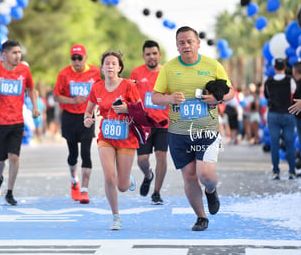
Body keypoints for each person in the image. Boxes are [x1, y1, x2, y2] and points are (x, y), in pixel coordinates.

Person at [151, 26, 234, 232]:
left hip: (206, 130)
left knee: (205, 175)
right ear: (177, 46)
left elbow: (231, 91)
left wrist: (218, 98)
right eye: (181, 42)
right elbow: (155, 97)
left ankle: (211, 189)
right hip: (179, 133)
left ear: (198, 43)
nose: (186, 45)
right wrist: (169, 98)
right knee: (189, 176)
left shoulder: (212, 65)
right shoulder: (169, 69)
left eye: (190, 41)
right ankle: (201, 217)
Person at [84, 51, 140, 230]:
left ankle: (127, 178)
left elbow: (139, 111)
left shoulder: (129, 86)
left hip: (126, 137)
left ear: (119, 68)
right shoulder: (97, 87)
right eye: (106, 63)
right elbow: (89, 110)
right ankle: (116, 216)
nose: (110, 66)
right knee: (109, 177)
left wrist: (127, 109)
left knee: (122, 186)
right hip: (106, 137)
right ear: (101, 67)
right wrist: (87, 119)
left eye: (113, 63)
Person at [0, 40, 40, 206]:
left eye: (19, 52)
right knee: (0, 161)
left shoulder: (24, 70)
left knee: (14, 156)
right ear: (4, 55)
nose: (18, 56)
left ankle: (10, 192)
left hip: (17, 121)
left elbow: (30, 89)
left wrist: (35, 106)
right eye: (14, 53)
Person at [54, 44, 101, 204]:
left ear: (85, 58)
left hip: (87, 116)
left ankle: (84, 190)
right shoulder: (64, 74)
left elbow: (103, 90)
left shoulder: (95, 72)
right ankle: (74, 180)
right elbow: (57, 96)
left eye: (79, 58)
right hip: (69, 117)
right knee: (73, 154)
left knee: (86, 153)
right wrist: (73, 100)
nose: (76, 61)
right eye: (73, 58)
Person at [129, 40, 169, 205]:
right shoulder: (137, 73)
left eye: (154, 53)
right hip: (143, 124)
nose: (151, 57)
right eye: (148, 54)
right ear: (143, 56)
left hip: (164, 123)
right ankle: (148, 175)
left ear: (159, 54)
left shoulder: (167, 72)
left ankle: (157, 192)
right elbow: (129, 95)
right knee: (142, 160)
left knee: (161, 156)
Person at [264, 58, 296, 180]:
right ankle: (292, 171)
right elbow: (293, 94)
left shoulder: (269, 81)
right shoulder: (290, 80)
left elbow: (267, 96)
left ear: (274, 68)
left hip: (273, 114)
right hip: (288, 113)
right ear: (284, 68)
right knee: (290, 143)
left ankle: (276, 171)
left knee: (274, 143)